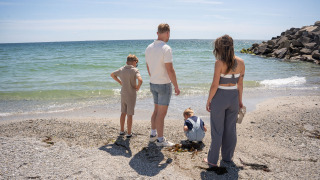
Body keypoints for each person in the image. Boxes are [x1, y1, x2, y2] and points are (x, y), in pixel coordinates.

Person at [204, 35, 245, 167]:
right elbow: (240, 84)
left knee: (217, 130)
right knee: (230, 129)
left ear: (220, 48)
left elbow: (215, 85)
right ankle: (227, 158)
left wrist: (209, 100)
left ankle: (212, 160)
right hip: (233, 97)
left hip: (220, 97)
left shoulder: (219, 63)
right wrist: (240, 101)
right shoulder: (241, 62)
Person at [145, 23, 180, 147]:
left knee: (156, 110)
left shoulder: (148, 47)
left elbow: (148, 67)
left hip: (153, 83)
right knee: (161, 114)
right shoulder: (166, 48)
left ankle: (153, 134)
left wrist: (153, 77)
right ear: (167, 33)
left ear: (157, 33)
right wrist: (176, 86)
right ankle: (160, 140)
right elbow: (170, 70)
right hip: (164, 85)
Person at [110, 54, 143, 138]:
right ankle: (129, 133)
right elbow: (140, 80)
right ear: (135, 62)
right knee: (130, 114)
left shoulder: (121, 69)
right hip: (131, 94)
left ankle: (121, 131)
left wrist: (120, 82)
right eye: (137, 63)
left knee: (123, 112)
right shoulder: (135, 70)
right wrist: (138, 87)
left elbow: (112, 75)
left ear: (126, 62)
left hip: (123, 93)